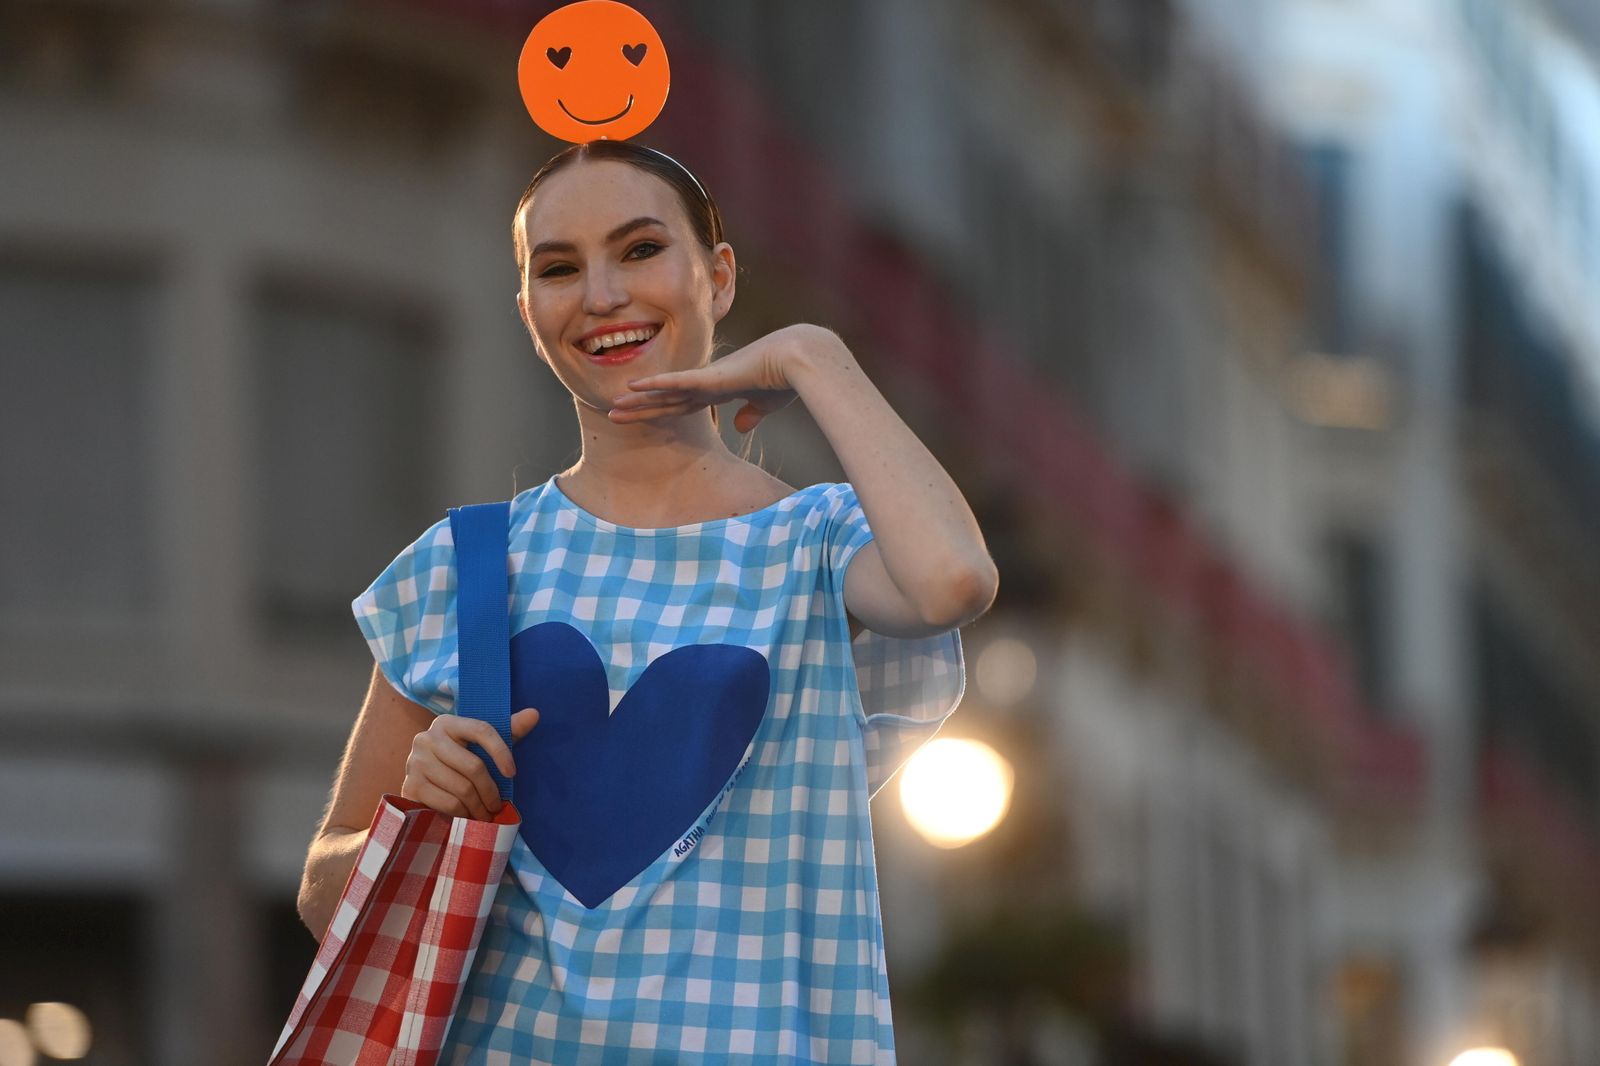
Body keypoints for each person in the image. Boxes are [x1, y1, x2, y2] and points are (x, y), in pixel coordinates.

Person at [296, 138, 998, 1063]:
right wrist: (419, 816)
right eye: (559, 268)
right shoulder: (468, 565)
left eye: (639, 250)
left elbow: (953, 580)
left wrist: (814, 360)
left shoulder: (817, 543)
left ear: (718, 276)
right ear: (527, 311)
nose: (601, 297)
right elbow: (322, 893)